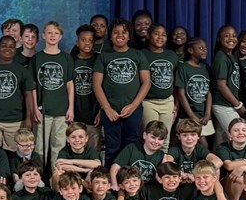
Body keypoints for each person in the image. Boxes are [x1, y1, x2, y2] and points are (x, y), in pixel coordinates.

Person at [94, 18, 151, 165]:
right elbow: (97, 85)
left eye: (124, 32)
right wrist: (107, 108)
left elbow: (146, 83)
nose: (120, 35)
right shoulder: (104, 56)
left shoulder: (138, 55)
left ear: (130, 36)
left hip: (133, 109)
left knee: (131, 144)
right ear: (110, 35)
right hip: (110, 109)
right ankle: (110, 180)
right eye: (116, 32)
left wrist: (133, 106)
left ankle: (128, 178)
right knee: (112, 145)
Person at [0, 35, 36, 151]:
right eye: (4, 46)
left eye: (11, 46)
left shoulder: (22, 70)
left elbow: (28, 95)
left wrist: (29, 117)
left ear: (15, 50)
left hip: (15, 121)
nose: (7, 49)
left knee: (15, 152)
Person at [32, 21, 75, 168]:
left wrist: (71, 108)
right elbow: (32, 86)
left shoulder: (66, 58)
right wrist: (34, 108)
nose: (52, 35)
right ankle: (38, 178)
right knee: (40, 147)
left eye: (56, 33)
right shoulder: (37, 58)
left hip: (61, 109)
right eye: (49, 32)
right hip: (43, 109)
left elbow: (70, 84)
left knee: (59, 145)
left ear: (61, 36)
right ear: (43, 35)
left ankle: (56, 178)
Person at [174, 37, 214, 145]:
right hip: (189, 115)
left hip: (203, 114)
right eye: (200, 48)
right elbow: (181, 94)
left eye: (205, 48)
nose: (204, 50)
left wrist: (207, 113)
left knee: (203, 144)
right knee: (201, 144)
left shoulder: (205, 68)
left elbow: (208, 92)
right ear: (191, 50)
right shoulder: (183, 68)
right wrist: (192, 116)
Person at [210, 26, 244, 146]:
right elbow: (221, 85)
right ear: (219, 39)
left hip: (228, 104)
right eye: (227, 36)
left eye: (234, 35)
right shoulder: (221, 58)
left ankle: (219, 163)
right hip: (222, 104)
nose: (231, 38)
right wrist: (238, 104)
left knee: (222, 138)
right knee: (238, 134)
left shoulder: (231, 57)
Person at [141, 24, 178, 135]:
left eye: (163, 35)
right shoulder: (142, 54)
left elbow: (176, 82)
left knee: (165, 138)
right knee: (151, 136)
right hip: (149, 102)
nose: (160, 37)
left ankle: (164, 153)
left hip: (168, 102)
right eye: (156, 34)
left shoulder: (171, 55)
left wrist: (176, 104)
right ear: (148, 36)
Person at [71, 25, 103, 149]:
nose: (87, 43)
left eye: (90, 40)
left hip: (94, 114)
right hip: (76, 114)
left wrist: (101, 111)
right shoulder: (70, 61)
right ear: (77, 43)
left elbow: (104, 88)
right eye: (83, 39)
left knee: (93, 150)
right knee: (75, 149)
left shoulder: (99, 60)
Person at [109, 120, 171, 184]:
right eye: (153, 137)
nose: (156, 142)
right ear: (144, 135)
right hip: (130, 188)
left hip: (150, 190)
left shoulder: (162, 156)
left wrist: (164, 167)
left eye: (160, 139)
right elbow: (115, 167)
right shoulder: (132, 148)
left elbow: (162, 180)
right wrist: (114, 184)